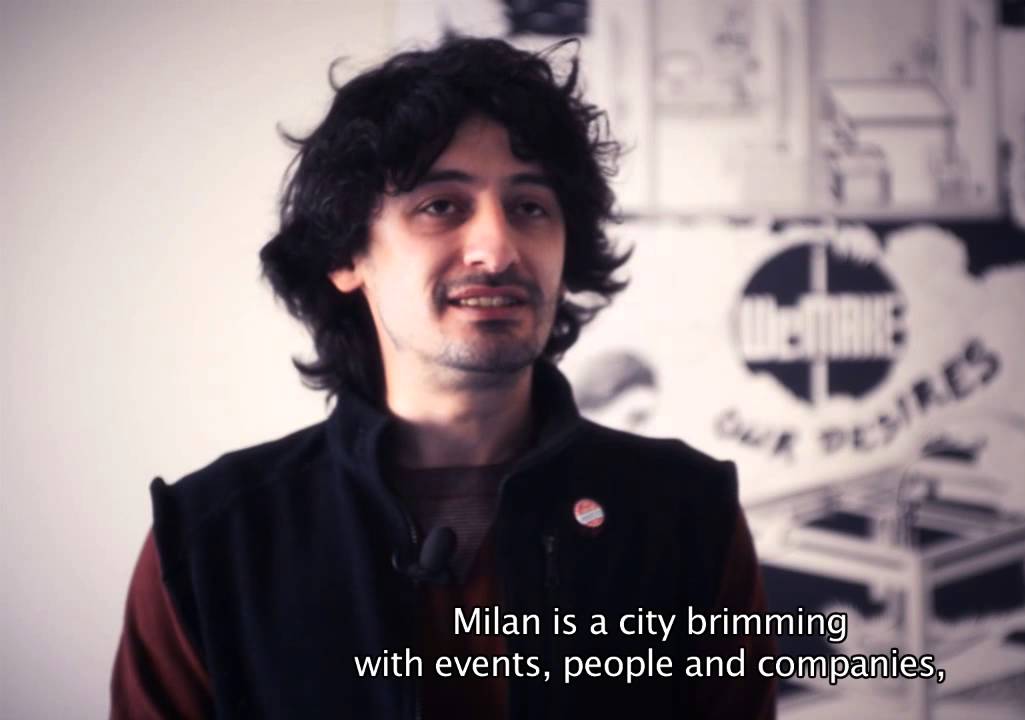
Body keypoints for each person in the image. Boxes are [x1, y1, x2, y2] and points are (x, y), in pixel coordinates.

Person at [111, 36, 776, 719]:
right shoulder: (211, 538)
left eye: (530, 207)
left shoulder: (689, 513)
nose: (498, 249)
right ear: (346, 256)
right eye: (441, 206)